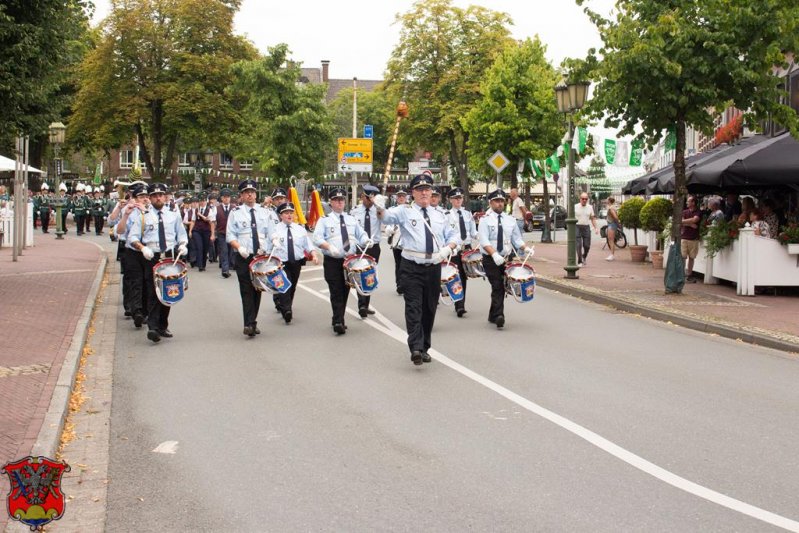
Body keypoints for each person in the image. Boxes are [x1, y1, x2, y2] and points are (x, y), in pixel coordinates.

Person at [378, 174, 458, 365]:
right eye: (420, 189)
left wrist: (448, 248)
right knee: (413, 307)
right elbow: (387, 218)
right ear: (412, 193)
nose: (424, 193)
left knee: (429, 308)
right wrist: (379, 206)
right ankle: (415, 347)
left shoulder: (440, 215)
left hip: (434, 266)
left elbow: (454, 235)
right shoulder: (404, 211)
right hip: (411, 266)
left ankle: (425, 347)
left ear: (432, 192)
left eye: (427, 189)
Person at [127, 183, 189, 343]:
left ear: (165, 196)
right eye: (154, 195)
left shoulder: (173, 215)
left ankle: (162, 325)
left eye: (161, 194)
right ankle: (153, 327)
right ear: (150, 198)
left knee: (169, 291)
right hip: (152, 256)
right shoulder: (143, 215)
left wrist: (182, 245)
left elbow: (181, 234)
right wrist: (142, 248)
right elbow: (132, 237)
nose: (158, 197)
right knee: (153, 291)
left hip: (170, 256)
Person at [312, 187, 370, 335]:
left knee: (345, 290)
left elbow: (360, 233)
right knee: (336, 290)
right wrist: (328, 246)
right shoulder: (324, 220)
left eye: (342, 200)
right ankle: (338, 321)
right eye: (336, 200)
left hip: (349, 261)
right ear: (331, 202)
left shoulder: (351, 219)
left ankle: (338, 317)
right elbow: (317, 238)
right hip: (333, 260)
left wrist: (366, 240)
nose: (339, 203)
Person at [478, 189, 534, 329]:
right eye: (496, 201)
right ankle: (499, 316)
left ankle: (493, 314)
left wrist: (525, 248)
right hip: (490, 258)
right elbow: (484, 240)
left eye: (502, 201)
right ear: (490, 202)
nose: (499, 204)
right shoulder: (484, 220)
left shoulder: (510, 220)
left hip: (506, 258)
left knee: (501, 286)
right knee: (497, 285)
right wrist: (494, 254)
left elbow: (516, 238)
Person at [227, 179, 274, 337]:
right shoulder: (235, 213)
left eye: (252, 192)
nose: (250, 195)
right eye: (246, 192)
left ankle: (252, 321)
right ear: (241, 195)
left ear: (256, 194)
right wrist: (239, 247)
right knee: (246, 289)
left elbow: (271, 234)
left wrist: (267, 248)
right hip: (243, 256)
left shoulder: (265, 212)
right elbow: (230, 235)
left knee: (257, 289)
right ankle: (248, 323)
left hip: (260, 256)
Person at [267, 202, 319, 323]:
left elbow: (308, 244)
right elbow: (268, 246)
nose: (289, 215)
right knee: (284, 285)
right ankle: (287, 310)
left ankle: (287, 305)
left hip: (296, 262)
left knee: (292, 285)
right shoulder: (275, 229)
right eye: (286, 213)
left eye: (291, 213)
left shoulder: (300, 229)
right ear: (281, 215)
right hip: (280, 263)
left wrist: (314, 255)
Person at [121, 184, 152, 327]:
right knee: (136, 282)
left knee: (147, 282)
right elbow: (120, 231)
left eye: (146, 196)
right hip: (132, 251)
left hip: (149, 252)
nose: (145, 199)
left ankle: (145, 311)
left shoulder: (153, 212)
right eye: (141, 197)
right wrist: (126, 214)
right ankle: (137, 311)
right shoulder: (129, 212)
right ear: (135, 198)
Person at [350, 184, 382, 317]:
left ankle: (366, 303)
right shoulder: (355, 211)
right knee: (359, 274)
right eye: (366, 198)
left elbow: (388, 218)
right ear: (362, 196)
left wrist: (380, 206)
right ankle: (362, 304)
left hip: (373, 247)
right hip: (359, 247)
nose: (368, 201)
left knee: (370, 275)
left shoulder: (379, 210)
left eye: (371, 199)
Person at [445, 187, 477, 317]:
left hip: (466, 248)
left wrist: (479, 237)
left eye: (460, 198)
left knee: (464, 277)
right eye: (456, 198)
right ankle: (458, 304)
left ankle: (461, 303)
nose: (458, 200)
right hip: (454, 249)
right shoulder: (446, 215)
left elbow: (473, 232)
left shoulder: (468, 214)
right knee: (455, 276)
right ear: (451, 200)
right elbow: (446, 234)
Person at [386, 188, 409, 294]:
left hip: (408, 243)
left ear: (406, 198)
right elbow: (388, 226)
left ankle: (406, 284)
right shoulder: (391, 210)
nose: (401, 198)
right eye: (399, 196)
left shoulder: (410, 209)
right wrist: (391, 229)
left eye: (403, 196)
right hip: (396, 242)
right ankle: (399, 284)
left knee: (407, 265)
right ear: (396, 198)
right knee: (398, 264)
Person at [189, 194, 216, 271]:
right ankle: (200, 265)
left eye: (204, 200)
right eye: (201, 200)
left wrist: (212, 234)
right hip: (197, 231)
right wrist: (190, 231)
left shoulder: (209, 210)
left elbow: (211, 222)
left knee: (205, 248)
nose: (202, 202)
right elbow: (193, 221)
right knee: (199, 247)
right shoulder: (196, 210)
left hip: (206, 231)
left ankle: (203, 264)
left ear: (206, 201)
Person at [681, 195, 702, 283]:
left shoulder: (698, 212)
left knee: (692, 257)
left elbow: (695, 220)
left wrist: (686, 222)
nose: (687, 203)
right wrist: (690, 224)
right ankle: (681, 274)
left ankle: (689, 274)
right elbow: (680, 221)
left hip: (693, 238)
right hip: (684, 237)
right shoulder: (684, 212)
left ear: (693, 203)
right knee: (683, 257)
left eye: (688, 201)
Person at [575, 193, 599, 266]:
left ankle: (584, 256)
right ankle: (579, 261)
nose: (584, 200)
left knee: (587, 245)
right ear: (580, 199)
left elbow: (592, 218)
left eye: (586, 199)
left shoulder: (590, 207)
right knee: (578, 245)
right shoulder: (575, 206)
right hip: (577, 226)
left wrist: (596, 228)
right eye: (583, 199)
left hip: (586, 227)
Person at [215, 188, 234, 278]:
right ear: (221, 198)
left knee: (231, 251)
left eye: (228, 197)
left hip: (232, 233)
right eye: (224, 197)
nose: (226, 199)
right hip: (221, 233)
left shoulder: (234, 208)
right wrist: (213, 233)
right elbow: (213, 221)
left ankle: (229, 266)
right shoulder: (216, 208)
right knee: (224, 251)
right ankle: (225, 270)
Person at [604, 197, 620, 261]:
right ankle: (611, 254)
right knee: (611, 240)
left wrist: (618, 223)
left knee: (611, 240)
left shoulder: (611, 208)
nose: (606, 200)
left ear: (609, 201)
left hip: (611, 224)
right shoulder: (612, 207)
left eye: (607, 199)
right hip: (612, 224)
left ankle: (612, 255)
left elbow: (615, 217)